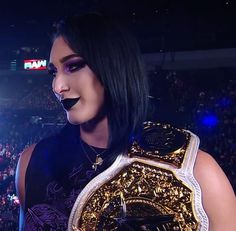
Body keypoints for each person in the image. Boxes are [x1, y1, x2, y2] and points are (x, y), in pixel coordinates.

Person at [15, 13, 236, 231]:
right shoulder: (31, 163)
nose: (57, 86)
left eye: (73, 66)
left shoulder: (195, 172)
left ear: (113, 66)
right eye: (53, 72)